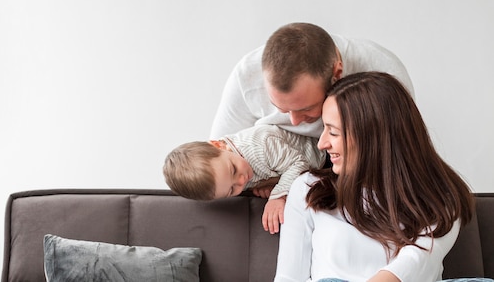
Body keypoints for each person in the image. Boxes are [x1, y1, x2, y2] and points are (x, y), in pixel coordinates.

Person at [273, 72, 477, 282]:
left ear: (372, 138)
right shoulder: (308, 188)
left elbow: (410, 267)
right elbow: (288, 278)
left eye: (333, 132)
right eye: (323, 129)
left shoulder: (439, 198)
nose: (322, 144)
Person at [210, 22, 415, 140]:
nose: (294, 121)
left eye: (307, 109)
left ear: (338, 72)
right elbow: (220, 155)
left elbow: (398, 155)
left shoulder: (383, 73)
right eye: (280, 108)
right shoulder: (246, 76)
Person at [163, 124, 325, 234]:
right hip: (310, 174)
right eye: (232, 190)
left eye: (233, 170)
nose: (242, 181)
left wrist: (278, 195)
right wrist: (272, 182)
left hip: (322, 154)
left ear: (218, 145)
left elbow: (299, 163)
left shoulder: (260, 145)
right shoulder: (228, 171)